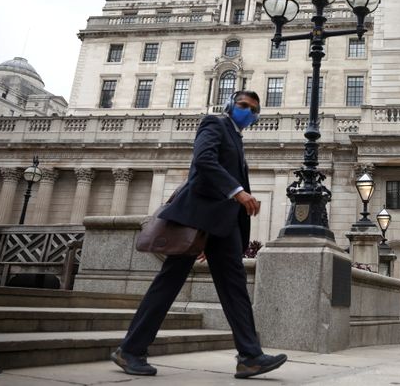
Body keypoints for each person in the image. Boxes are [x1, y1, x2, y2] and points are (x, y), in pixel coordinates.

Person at [112, 91, 287, 379]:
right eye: (243, 106)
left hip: (220, 226)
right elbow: (204, 162)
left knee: (235, 287)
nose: (248, 112)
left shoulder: (237, 139)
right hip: (198, 219)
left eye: (254, 110)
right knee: (169, 283)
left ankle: (250, 357)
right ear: (230, 106)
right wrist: (238, 191)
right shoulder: (214, 124)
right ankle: (130, 350)